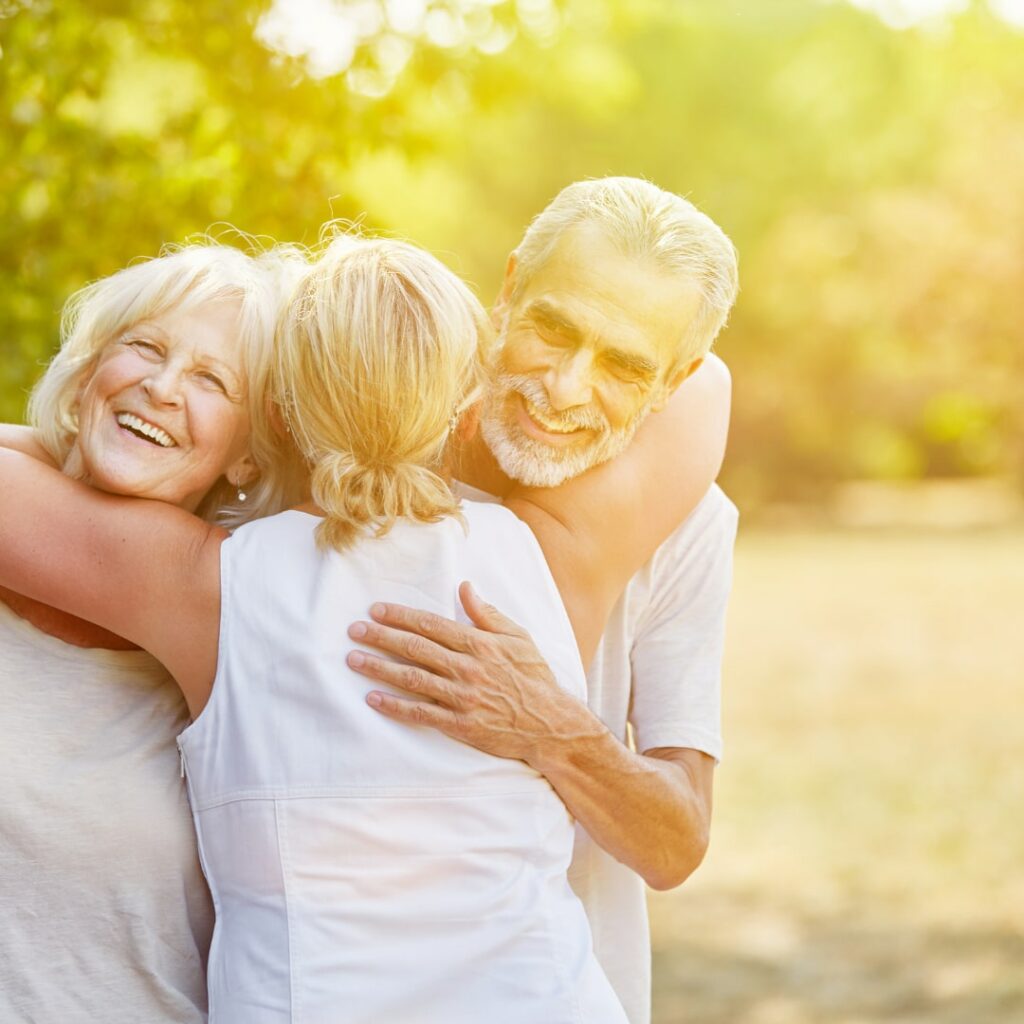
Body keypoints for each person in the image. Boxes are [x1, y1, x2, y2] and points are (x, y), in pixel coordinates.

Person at [0, 232, 723, 1022]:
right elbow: (706, 382)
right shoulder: (547, 558)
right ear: (461, 414)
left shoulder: (205, 584)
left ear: (275, 417)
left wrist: (78, 425)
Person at [342, 177, 740, 1024]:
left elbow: (675, 844)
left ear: (677, 380)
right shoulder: (373, 434)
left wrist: (552, 732)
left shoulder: (692, 525)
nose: (564, 388)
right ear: (510, 285)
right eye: (553, 329)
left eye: (625, 366)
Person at [0, 238, 303, 1023]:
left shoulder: (233, 618)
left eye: (211, 380)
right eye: (145, 347)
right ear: (90, 368)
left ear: (246, 458)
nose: (163, 388)